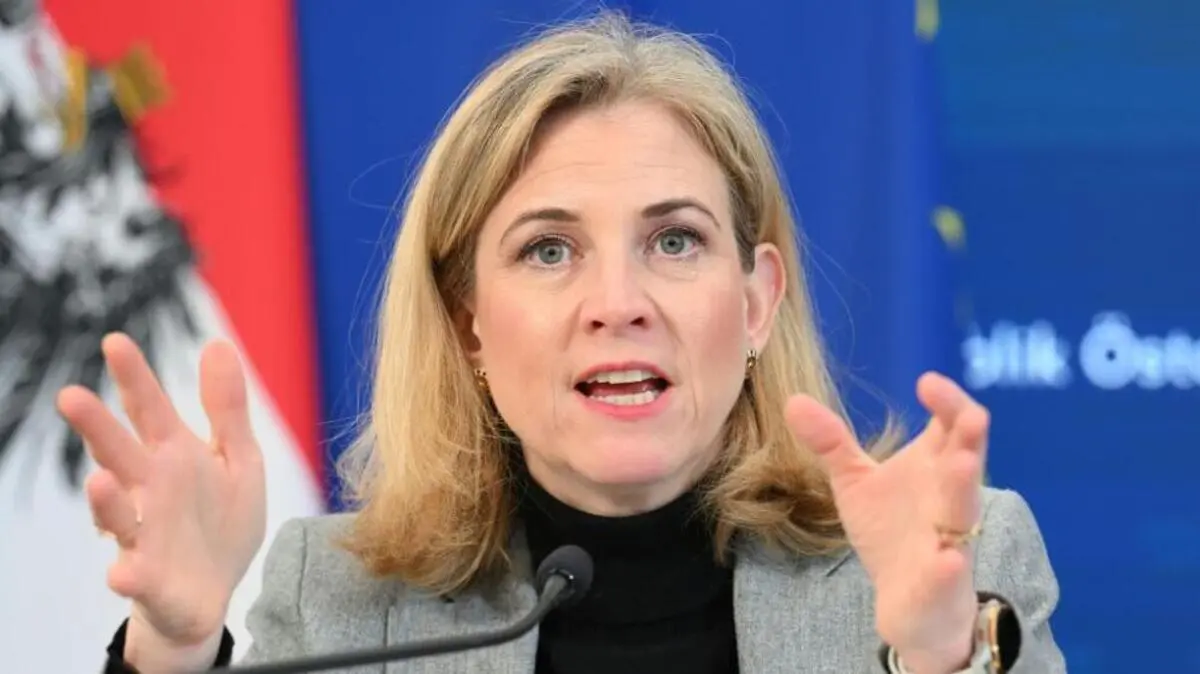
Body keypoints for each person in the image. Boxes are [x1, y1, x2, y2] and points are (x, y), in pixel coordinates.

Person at [61, 11, 1065, 674]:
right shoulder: (342, 602)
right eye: (549, 250)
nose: (617, 302)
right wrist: (173, 649)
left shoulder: (954, 563)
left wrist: (943, 662)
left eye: (674, 240)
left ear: (758, 300)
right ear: (468, 323)